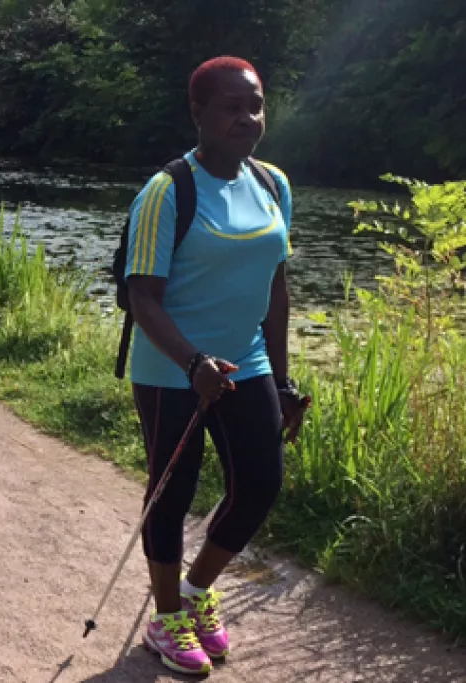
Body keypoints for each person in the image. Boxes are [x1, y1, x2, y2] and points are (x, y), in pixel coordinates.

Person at [123, 55, 308, 676]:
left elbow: (276, 290)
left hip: (246, 361)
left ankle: (198, 592)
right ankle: (167, 616)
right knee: (172, 491)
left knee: (260, 484)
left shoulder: (274, 184)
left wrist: (281, 381)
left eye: (254, 104)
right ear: (198, 112)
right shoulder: (167, 190)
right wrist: (192, 360)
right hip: (169, 364)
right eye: (231, 106)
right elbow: (142, 297)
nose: (247, 118)